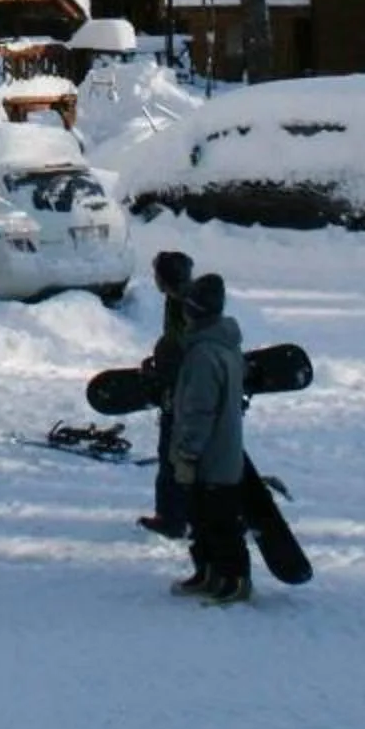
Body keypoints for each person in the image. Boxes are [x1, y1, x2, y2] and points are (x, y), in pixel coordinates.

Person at [166, 271, 251, 606]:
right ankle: (209, 572)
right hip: (221, 451)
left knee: (219, 520)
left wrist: (187, 452)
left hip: (212, 455)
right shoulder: (224, 346)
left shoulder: (204, 354)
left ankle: (234, 579)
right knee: (201, 517)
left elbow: (199, 409)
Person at [136, 250, 195, 544]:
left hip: (184, 393)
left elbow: (182, 348)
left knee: (173, 457)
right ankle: (177, 515)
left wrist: (163, 368)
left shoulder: (184, 306)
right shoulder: (181, 301)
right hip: (182, 389)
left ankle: (172, 518)